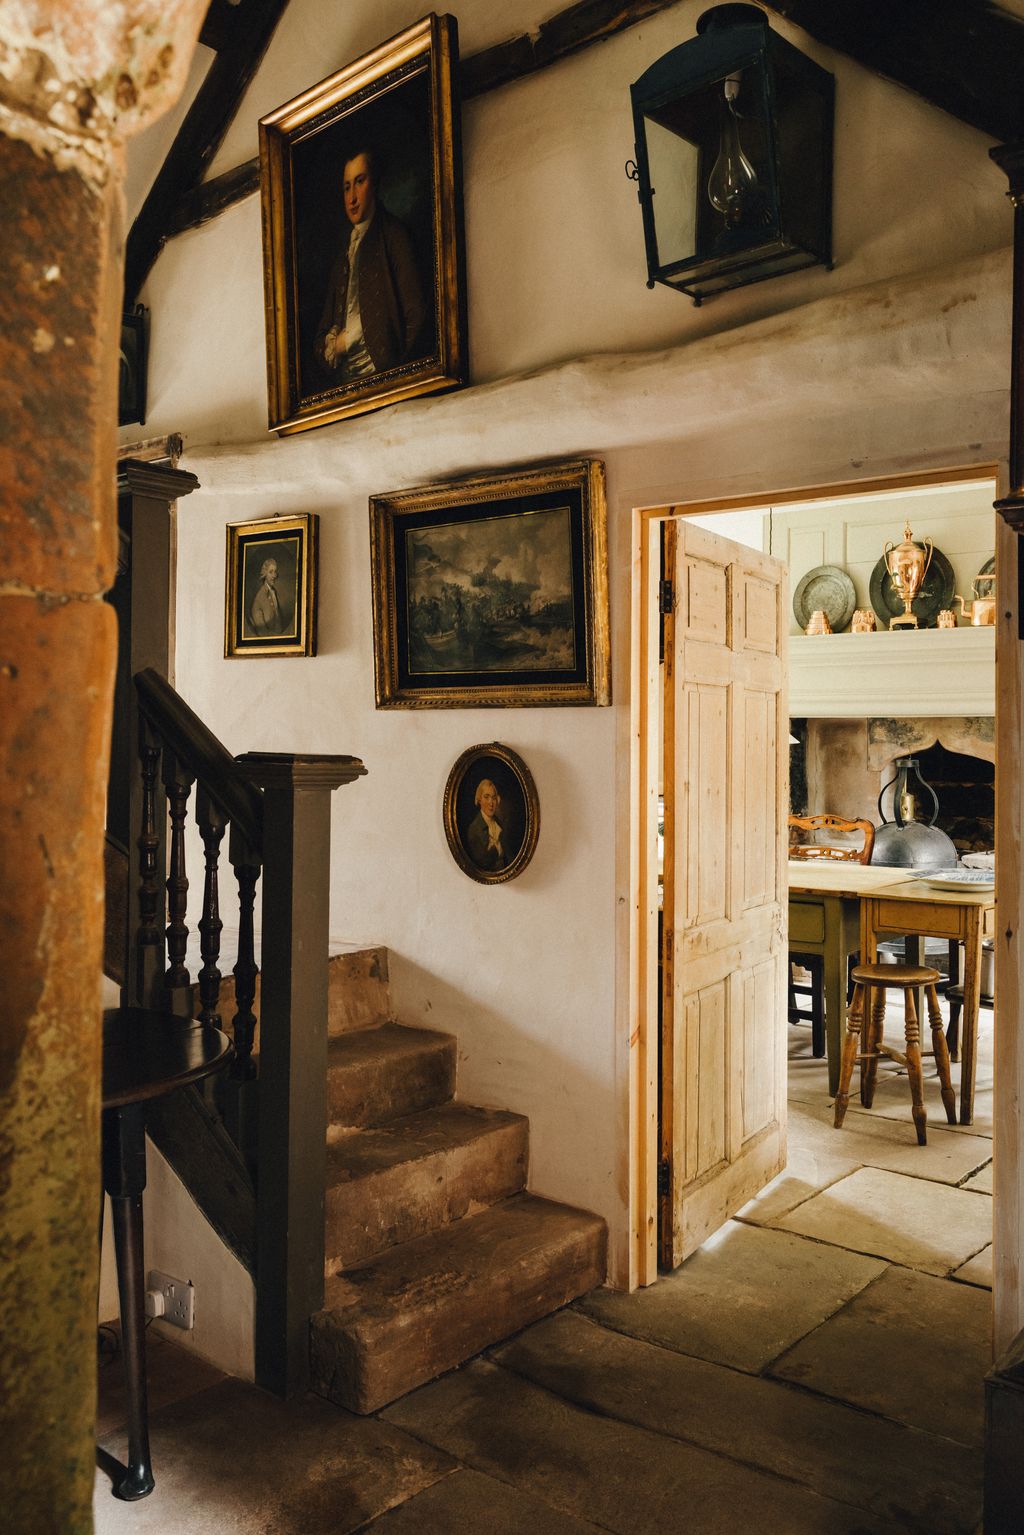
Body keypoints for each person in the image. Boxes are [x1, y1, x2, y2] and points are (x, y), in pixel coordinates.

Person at [314, 147, 428, 382]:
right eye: (347, 187)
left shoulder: (394, 236)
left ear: (374, 184)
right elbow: (322, 333)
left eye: (360, 182)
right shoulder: (343, 252)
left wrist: (398, 374)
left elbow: (417, 316)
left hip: (383, 377)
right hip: (346, 383)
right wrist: (331, 341)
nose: (352, 198)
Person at [465, 779, 507, 872]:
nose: (491, 803)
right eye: (486, 797)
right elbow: (481, 864)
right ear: (479, 800)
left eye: (494, 797)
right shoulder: (474, 829)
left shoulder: (500, 824)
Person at [249, 557, 286, 636]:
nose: (274, 576)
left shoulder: (273, 592)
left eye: (275, 572)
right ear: (264, 574)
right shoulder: (259, 598)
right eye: (270, 572)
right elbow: (262, 633)